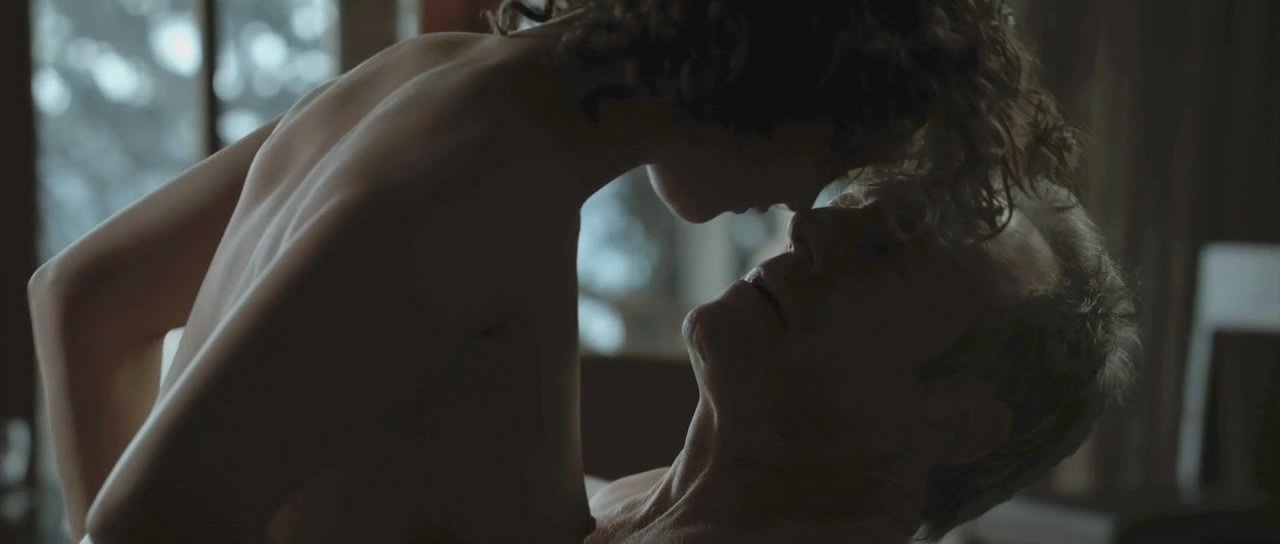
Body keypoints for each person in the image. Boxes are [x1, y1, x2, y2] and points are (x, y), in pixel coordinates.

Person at [25, 1, 1079, 542]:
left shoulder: (427, 73)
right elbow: (147, 524)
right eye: (841, 155)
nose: (805, 208)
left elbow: (81, 299)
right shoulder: (494, 200)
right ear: (798, 83)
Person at [586, 184, 1138, 543]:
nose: (807, 226)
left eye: (887, 250)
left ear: (956, 424)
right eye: (850, 203)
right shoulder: (631, 496)